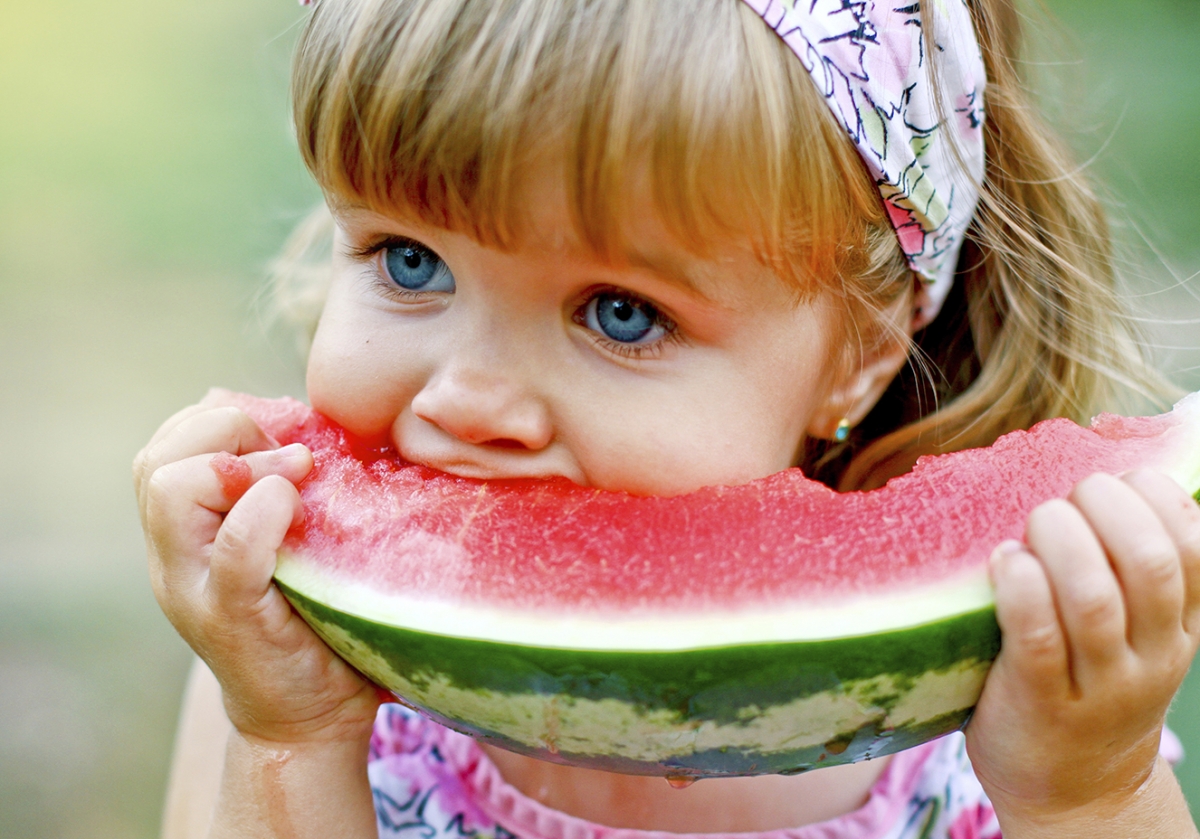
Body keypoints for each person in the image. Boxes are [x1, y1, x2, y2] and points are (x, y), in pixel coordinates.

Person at [133, 0, 1200, 837]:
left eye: (620, 313)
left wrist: (1088, 802)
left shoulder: (1013, 734)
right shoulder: (292, 678)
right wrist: (293, 738)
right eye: (410, 261)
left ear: (863, 352)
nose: (466, 398)